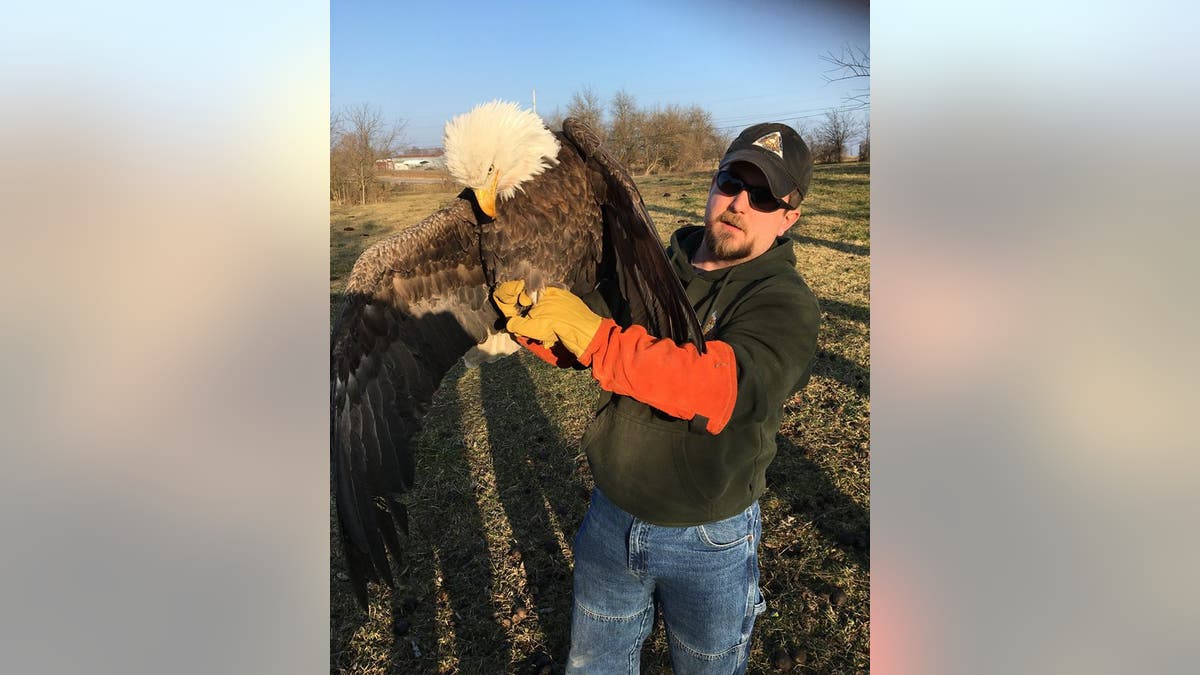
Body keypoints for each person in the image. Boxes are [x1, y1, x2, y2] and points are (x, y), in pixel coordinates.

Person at [493, 122, 820, 674]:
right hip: (611, 515)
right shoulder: (650, 264)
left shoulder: (784, 302)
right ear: (712, 186)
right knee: (595, 664)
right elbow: (590, 344)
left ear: (788, 217)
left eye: (763, 195)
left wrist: (595, 340)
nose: (740, 203)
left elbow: (724, 389)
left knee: (707, 666)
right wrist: (537, 328)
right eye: (731, 181)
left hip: (708, 533)